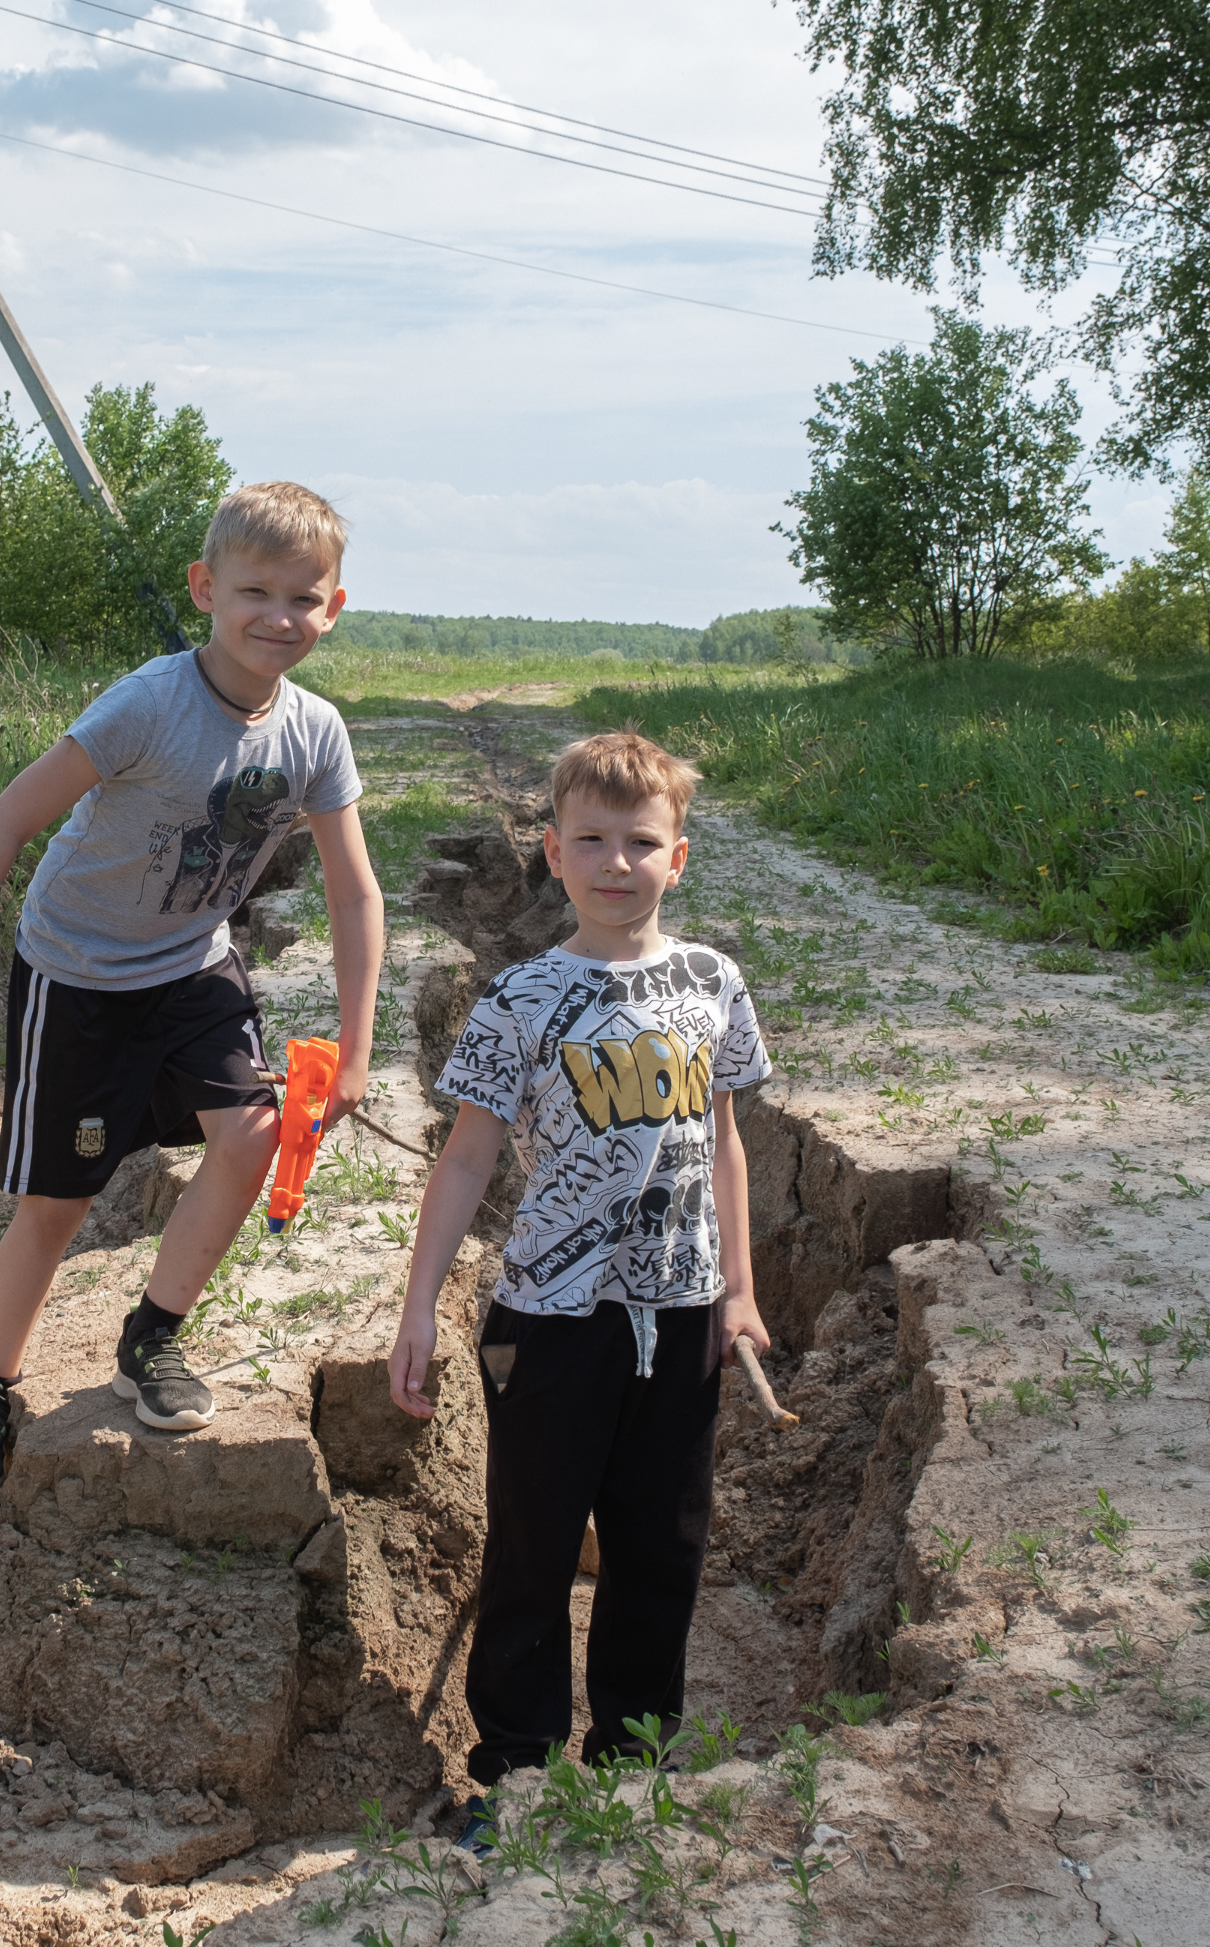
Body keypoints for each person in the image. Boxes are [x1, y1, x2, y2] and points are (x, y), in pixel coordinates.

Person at [0, 481, 384, 1483]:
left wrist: (360, 1048)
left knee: (253, 1140)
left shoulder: (316, 732)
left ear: (334, 606)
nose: (279, 617)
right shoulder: (149, 703)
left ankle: (152, 1335)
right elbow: (9, 816)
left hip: (193, 965)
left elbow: (354, 893)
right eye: (256, 591)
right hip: (77, 973)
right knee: (57, 1205)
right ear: (206, 587)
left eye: (304, 597)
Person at [387, 730, 771, 1785]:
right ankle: (513, 1764)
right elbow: (466, 1159)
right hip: (550, 1320)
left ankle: (632, 1760)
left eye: (640, 841)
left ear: (677, 857)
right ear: (552, 854)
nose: (615, 863)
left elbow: (725, 1140)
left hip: (682, 1312)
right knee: (533, 1545)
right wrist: (419, 1308)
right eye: (591, 840)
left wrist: (738, 1287)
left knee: (661, 1546)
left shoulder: (712, 982)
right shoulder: (517, 1000)